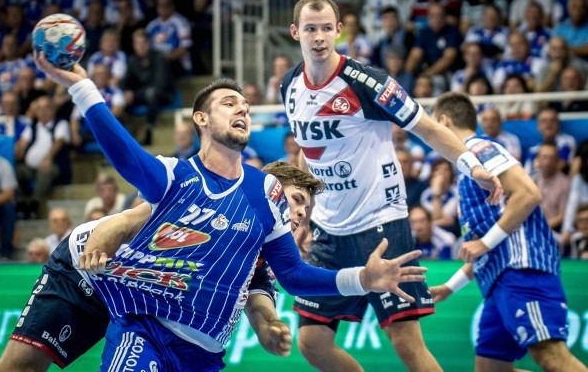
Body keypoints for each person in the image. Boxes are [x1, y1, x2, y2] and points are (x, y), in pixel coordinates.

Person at [33, 53, 427, 371]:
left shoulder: (266, 192)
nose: (242, 110)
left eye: (245, 106)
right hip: (140, 322)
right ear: (201, 119)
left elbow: (292, 275)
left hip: (203, 354)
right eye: (229, 103)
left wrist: (362, 279)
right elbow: (127, 165)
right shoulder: (175, 176)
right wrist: (83, 88)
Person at [281, 0, 503, 372]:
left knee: (406, 343)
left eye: (326, 29)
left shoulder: (367, 82)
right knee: (312, 342)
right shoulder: (290, 85)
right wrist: (306, 215)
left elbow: (428, 128)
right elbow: (309, 154)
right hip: (329, 233)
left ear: (339, 31)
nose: (318, 37)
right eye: (310, 29)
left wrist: (471, 165)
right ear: (295, 32)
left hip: (380, 224)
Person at [0, 202, 290, 372]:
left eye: (306, 206)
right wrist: (97, 246)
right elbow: (124, 221)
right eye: (295, 202)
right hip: (89, 273)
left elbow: (261, 309)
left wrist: (272, 328)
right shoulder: (211, 202)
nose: (299, 213)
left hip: (137, 300)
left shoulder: (259, 261)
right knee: (21, 368)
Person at [429, 92, 587, 372]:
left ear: (443, 122)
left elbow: (528, 194)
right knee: (491, 369)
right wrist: (450, 287)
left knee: (551, 357)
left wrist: (484, 244)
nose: (429, 137)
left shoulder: (479, 148)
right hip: (497, 280)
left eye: (431, 127)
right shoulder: (465, 167)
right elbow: (483, 248)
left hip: (522, 271)